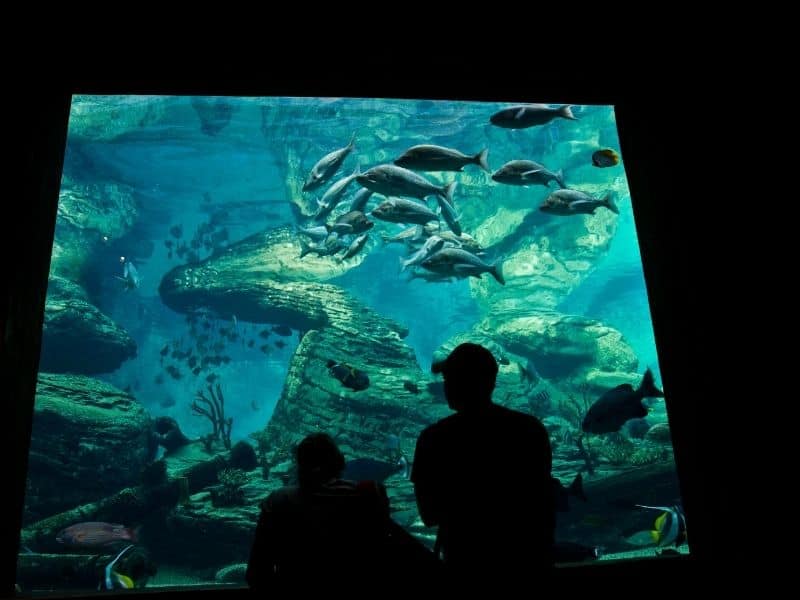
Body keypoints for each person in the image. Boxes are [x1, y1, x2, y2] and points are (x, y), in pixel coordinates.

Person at [411, 342, 555, 583]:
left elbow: (429, 515)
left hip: (466, 563)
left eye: (448, 378)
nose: (445, 386)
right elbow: (541, 500)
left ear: (459, 382)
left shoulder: (433, 439)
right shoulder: (530, 430)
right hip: (526, 560)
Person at [246, 433, 432, 589]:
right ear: (340, 462)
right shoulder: (367, 494)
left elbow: (257, 571)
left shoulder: (277, 500)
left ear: (299, 465)